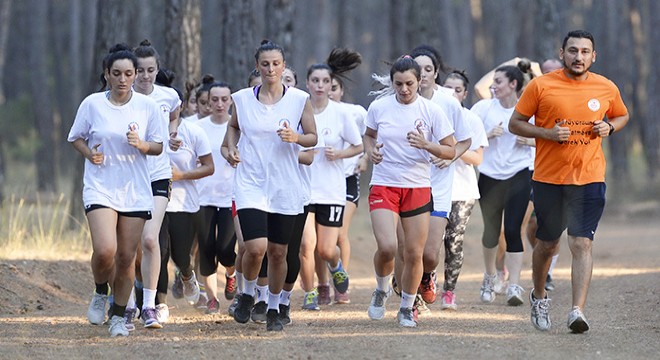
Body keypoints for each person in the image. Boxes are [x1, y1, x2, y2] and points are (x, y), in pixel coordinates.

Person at [509, 30, 629, 333]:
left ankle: (577, 311)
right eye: (573, 51)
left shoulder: (606, 87)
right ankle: (539, 296)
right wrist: (547, 133)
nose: (579, 57)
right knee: (547, 244)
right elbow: (515, 124)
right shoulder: (541, 85)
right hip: (550, 179)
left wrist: (609, 127)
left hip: (589, 178)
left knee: (581, 242)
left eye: (585, 51)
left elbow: (622, 116)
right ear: (562, 53)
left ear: (593, 56)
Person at [67, 43, 165, 337]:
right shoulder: (92, 104)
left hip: (134, 189)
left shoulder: (147, 107)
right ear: (107, 75)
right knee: (105, 250)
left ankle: (119, 316)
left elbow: (158, 146)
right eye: (117, 74)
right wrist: (89, 154)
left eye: (128, 74)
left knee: (126, 257)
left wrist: (142, 145)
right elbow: (76, 137)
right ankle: (100, 292)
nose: (123, 79)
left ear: (136, 75)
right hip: (100, 186)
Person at [225, 40, 317, 332]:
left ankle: (276, 307)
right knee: (255, 248)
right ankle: (248, 294)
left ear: (284, 66)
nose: (270, 69)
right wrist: (230, 149)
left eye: (276, 64)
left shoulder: (299, 99)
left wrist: (296, 138)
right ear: (257, 66)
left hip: (284, 185)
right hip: (251, 182)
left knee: (278, 252)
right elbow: (233, 127)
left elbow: (313, 137)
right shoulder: (241, 98)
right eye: (265, 64)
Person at [364, 55, 455, 328]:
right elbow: (369, 135)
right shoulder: (379, 107)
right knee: (388, 247)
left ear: (420, 82)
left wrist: (428, 146)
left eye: (409, 84)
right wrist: (371, 151)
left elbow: (450, 149)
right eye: (399, 84)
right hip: (384, 183)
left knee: (415, 253)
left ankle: (406, 307)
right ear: (392, 83)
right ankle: (381, 289)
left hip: (417, 187)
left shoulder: (432, 111)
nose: (404, 90)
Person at [407, 46, 472, 314]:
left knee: (430, 254)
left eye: (428, 69)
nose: (422, 74)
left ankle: (427, 275)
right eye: (417, 69)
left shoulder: (448, 102)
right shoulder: (397, 99)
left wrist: (451, 156)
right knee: (409, 250)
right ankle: (410, 302)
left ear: (436, 73)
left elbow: (465, 139)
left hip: (439, 185)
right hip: (408, 183)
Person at [298, 48, 363, 309]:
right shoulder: (298, 110)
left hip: (332, 190)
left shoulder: (341, 114)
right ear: (307, 83)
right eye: (315, 81)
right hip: (303, 189)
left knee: (326, 249)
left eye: (325, 81)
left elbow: (358, 147)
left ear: (331, 84)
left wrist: (340, 154)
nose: (320, 86)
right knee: (305, 245)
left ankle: (336, 266)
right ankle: (310, 292)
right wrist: (302, 153)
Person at [131, 40, 183, 327]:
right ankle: (130, 298)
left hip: (159, 173)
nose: (145, 75)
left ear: (157, 70)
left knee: (150, 238)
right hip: (129, 176)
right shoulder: (123, 97)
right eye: (140, 70)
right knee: (132, 248)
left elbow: (175, 114)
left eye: (151, 70)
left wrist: (173, 133)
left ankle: (150, 306)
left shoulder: (168, 96)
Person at [472, 65, 533, 307]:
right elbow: (465, 138)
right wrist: (487, 135)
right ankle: (489, 277)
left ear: (513, 85)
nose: (493, 86)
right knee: (491, 231)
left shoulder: (528, 111)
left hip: (519, 174)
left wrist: (528, 139)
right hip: (489, 176)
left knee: (513, 230)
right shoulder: (484, 108)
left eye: (498, 81)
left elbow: (547, 139)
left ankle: (514, 284)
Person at [439, 70, 489, 310]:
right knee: (429, 243)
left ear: (464, 93)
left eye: (457, 90)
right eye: (447, 89)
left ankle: (449, 291)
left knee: (454, 241)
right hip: (432, 188)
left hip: (462, 191)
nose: (452, 94)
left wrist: (453, 152)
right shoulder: (431, 113)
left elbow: (478, 158)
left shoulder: (470, 119)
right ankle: (422, 284)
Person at [195, 81, 238, 314]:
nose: (219, 104)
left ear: (231, 101)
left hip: (231, 195)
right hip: (202, 197)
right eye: (215, 99)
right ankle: (212, 298)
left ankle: (231, 273)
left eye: (224, 99)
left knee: (224, 248)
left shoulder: (237, 126)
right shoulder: (197, 127)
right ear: (208, 102)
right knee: (206, 249)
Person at [328, 74, 368, 305]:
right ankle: (324, 283)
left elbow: (370, 138)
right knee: (320, 242)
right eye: (324, 85)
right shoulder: (312, 112)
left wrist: (364, 158)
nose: (330, 91)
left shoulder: (355, 112)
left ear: (341, 90)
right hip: (322, 182)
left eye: (334, 87)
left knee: (340, 233)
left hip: (347, 177)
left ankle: (341, 285)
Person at [525, 57, 564, 293]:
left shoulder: (564, 100)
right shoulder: (530, 94)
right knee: (530, 225)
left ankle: (547, 269)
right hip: (525, 171)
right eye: (543, 71)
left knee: (546, 226)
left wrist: (533, 140)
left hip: (551, 170)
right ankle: (542, 260)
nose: (546, 75)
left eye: (552, 71)